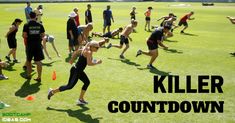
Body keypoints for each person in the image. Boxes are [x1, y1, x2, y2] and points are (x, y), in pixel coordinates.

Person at [22, 12, 45, 82]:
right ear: (35, 16)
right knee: (38, 61)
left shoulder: (26, 25)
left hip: (30, 45)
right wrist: (38, 38)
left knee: (29, 60)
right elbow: (43, 35)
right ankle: (39, 77)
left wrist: (30, 37)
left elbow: (24, 35)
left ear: (29, 16)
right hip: (38, 44)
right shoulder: (40, 25)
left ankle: (29, 75)